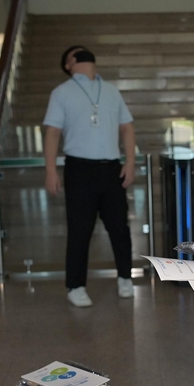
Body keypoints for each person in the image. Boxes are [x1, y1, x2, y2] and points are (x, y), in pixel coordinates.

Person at [43, 44, 137, 308]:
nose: (83, 55)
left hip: (111, 168)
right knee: (80, 230)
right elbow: (52, 132)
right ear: (68, 64)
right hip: (79, 169)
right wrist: (50, 169)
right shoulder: (61, 92)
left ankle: (125, 278)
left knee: (119, 227)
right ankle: (76, 285)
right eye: (76, 53)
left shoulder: (110, 90)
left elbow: (127, 128)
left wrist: (130, 162)